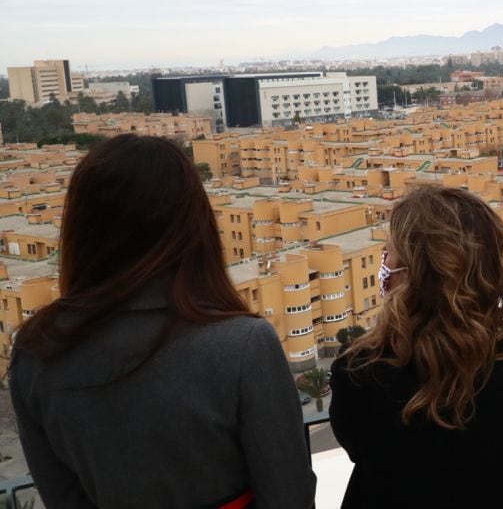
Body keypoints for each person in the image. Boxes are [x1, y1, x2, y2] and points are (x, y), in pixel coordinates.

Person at [10, 134, 315, 509]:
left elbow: (62, 497)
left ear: (81, 228)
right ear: (193, 224)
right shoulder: (242, 346)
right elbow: (289, 495)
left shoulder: (36, 352)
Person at [330, 185, 503, 509]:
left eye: (389, 252)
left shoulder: (358, 370)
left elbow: (359, 448)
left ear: (410, 271)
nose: (384, 262)